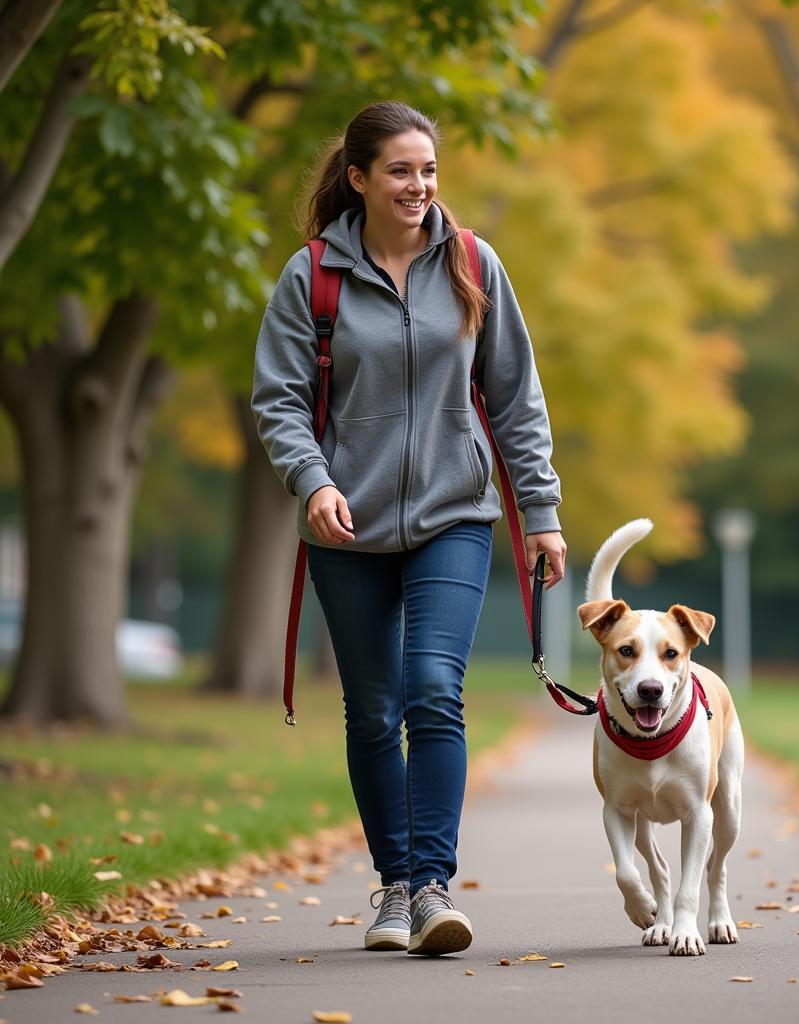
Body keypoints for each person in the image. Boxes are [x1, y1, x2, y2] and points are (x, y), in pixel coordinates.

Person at [250, 101, 567, 957]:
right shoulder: (311, 275)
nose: (419, 186)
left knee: (432, 687)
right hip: (343, 526)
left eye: (428, 170)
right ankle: (393, 885)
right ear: (358, 178)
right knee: (371, 711)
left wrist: (539, 513)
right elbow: (278, 400)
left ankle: (431, 888)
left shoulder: (471, 264)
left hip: (452, 516)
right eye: (400, 170)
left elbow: (514, 397)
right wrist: (312, 482)